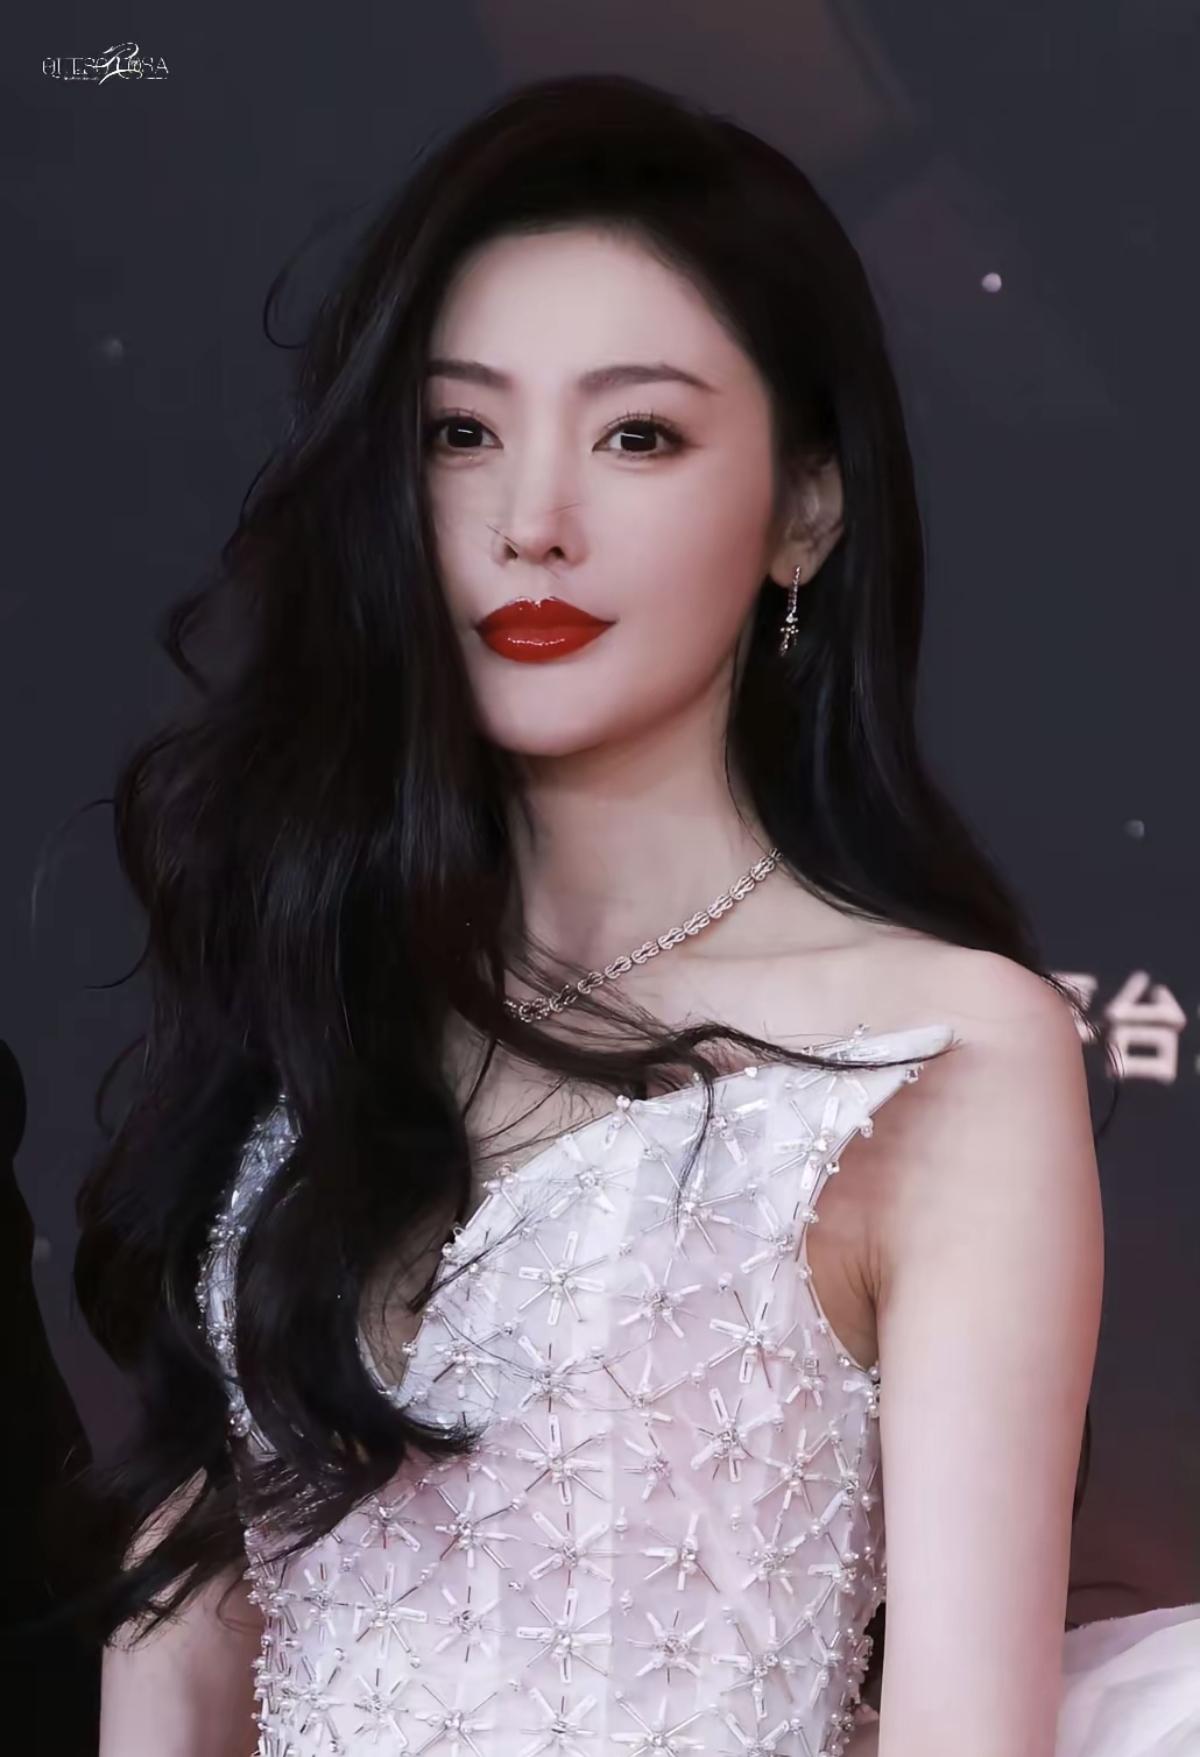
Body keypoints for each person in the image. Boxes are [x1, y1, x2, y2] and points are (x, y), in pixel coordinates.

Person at [45, 72, 1198, 1757]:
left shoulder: (941, 1047)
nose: (533, 522)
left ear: (805, 509)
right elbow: (177, 1654)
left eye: (637, 433)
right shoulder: (312, 988)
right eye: (461, 433)